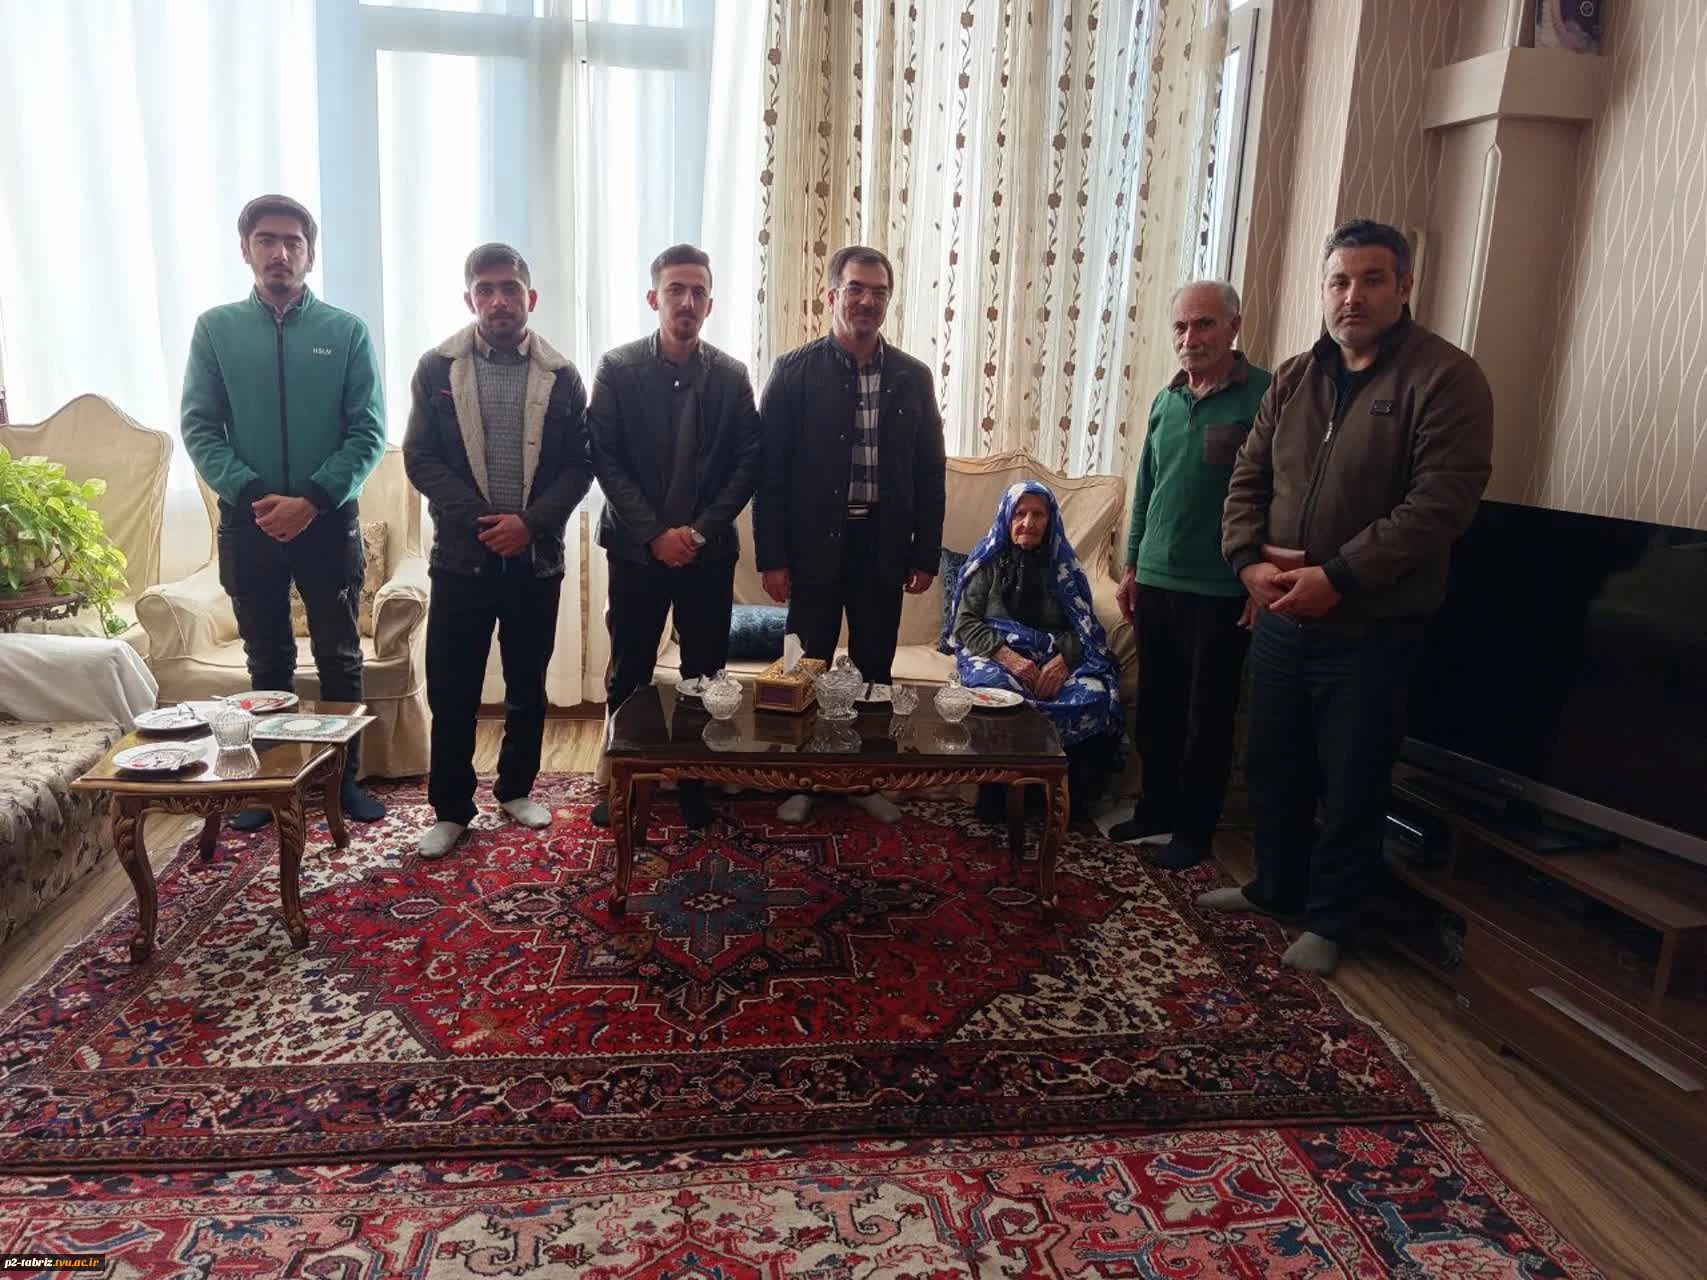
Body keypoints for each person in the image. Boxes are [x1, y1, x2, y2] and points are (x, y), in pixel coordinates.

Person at [1203, 218, 1494, 975]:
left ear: (1404, 286)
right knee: (1274, 763)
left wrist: (1339, 577)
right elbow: (1248, 479)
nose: (1351, 296)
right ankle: (1275, 887)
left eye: (1370, 279)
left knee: (1352, 779)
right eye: (1338, 280)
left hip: (1372, 625)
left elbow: (1439, 505)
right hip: (1280, 616)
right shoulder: (1296, 376)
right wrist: (1246, 563)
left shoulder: (1446, 377)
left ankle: (1332, 920)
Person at [181, 193, 387, 830]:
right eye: (266, 240)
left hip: (329, 521)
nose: (280, 252)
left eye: (293, 241)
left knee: (339, 656)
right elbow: (200, 427)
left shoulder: (345, 332)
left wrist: (314, 499)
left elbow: (368, 431)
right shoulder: (216, 329)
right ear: (245, 249)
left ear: (310, 254)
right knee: (266, 660)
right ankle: (270, 782)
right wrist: (254, 496)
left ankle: (342, 782)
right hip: (250, 523)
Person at [402, 243, 592, 860]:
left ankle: (515, 789)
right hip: (462, 558)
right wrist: (485, 521)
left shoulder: (563, 375)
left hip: (535, 560)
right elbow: (420, 458)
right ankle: (451, 809)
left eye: (510, 288)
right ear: (470, 299)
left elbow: (580, 464)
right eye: (485, 289)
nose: (499, 300)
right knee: (452, 689)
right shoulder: (437, 369)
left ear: (530, 297)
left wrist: (528, 524)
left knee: (527, 684)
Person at [754, 245, 947, 825]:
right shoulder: (792, 372)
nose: (867, 300)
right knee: (806, 668)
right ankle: (804, 780)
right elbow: (770, 473)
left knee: (874, 669)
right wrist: (772, 557)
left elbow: (929, 471)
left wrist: (925, 552)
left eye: (879, 291)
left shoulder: (913, 376)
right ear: (831, 295)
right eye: (856, 288)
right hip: (812, 545)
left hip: (882, 546)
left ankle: (865, 777)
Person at [586, 243, 761, 829]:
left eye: (698, 292)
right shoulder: (617, 368)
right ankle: (624, 782)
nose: (687, 301)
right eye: (675, 290)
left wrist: (699, 533)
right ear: (653, 298)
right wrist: (656, 533)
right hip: (636, 551)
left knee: (704, 674)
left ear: (710, 303)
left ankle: (692, 782)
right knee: (629, 672)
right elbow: (605, 459)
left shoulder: (732, 376)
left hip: (707, 555)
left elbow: (748, 462)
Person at [1111, 282, 1273, 867]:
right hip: (1157, 579)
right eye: (1180, 327)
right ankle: (1154, 809)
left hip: (1222, 587)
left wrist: (1259, 577)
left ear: (1234, 325)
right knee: (1158, 708)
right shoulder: (1167, 399)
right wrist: (1133, 565)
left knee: (1209, 716)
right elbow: (1147, 485)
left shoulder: (1265, 395)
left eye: (1203, 324)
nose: (1190, 338)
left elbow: (1278, 492)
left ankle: (1194, 829)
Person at [950, 482, 1123, 822]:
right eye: (1020, 513)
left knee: (1096, 695)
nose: (1028, 523)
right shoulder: (987, 561)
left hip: (1052, 655)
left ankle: (1065, 802)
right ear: (1007, 518)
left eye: (1037, 514)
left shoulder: (1065, 567)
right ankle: (998, 800)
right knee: (996, 693)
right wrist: (1009, 658)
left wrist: (1064, 660)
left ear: (1050, 519)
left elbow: (1084, 626)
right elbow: (965, 623)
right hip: (997, 651)